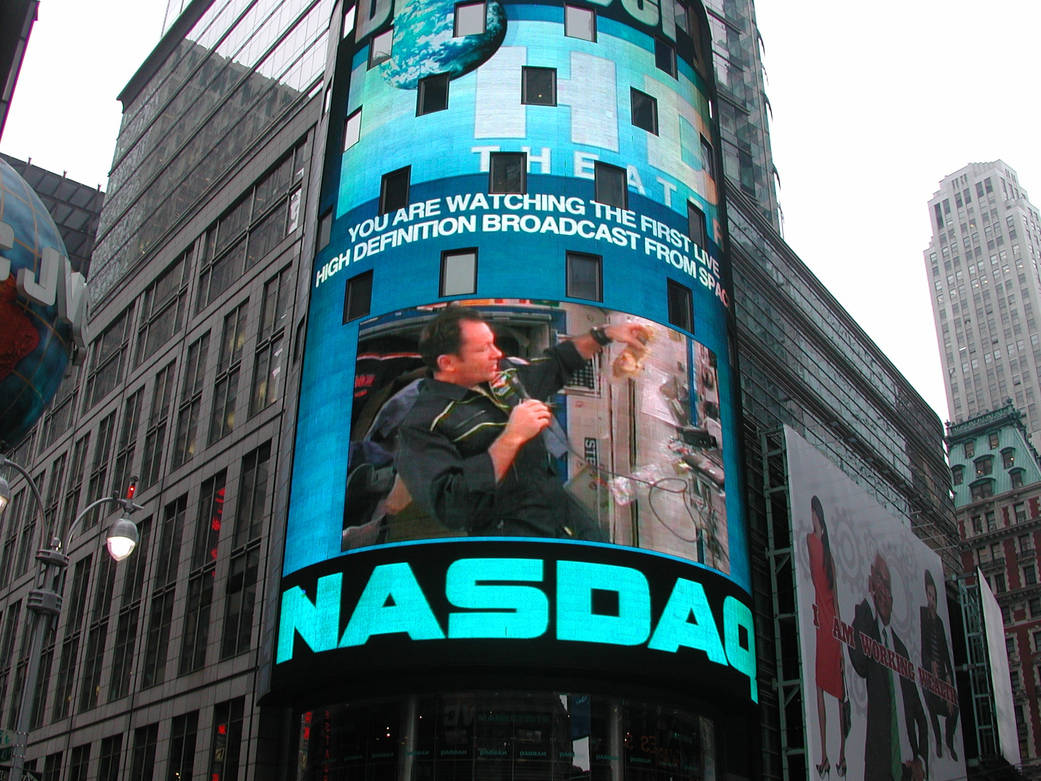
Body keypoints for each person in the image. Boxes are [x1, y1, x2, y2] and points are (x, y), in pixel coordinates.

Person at [395, 306, 649, 538]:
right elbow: (451, 507)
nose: (498, 353)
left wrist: (604, 334)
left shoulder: (501, 374)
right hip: (511, 532)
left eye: (493, 343)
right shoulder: (422, 425)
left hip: (560, 506)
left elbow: (556, 363)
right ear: (447, 363)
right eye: (483, 349)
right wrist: (511, 437)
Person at [848, 554, 929, 780]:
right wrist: (867, 598)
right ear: (871, 586)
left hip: (908, 771)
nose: (884, 592)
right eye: (879, 583)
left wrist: (921, 760)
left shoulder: (901, 650)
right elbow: (859, 662)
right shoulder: (867, 630)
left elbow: (920, 715)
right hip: (880, 769)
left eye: (888, 586)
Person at [807, 496, 846, 777]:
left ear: (817, 516)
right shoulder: (827, 552)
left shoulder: (814, 543)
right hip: (829, 626)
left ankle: (826, 755)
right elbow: (837, 600)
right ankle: (838, 755)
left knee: (825, 690)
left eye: (812, 514)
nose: (811, 519)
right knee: (833, 692)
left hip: (825, 625)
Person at [920, 569, 959, 761]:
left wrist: (949, 683)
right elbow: (921, 647)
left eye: (934, 596)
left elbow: (945, 655)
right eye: (929, 595)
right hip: (928, 674)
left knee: (955, 707)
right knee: (931, 704)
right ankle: (937, 740)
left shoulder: (941, 623)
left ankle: (949, 741)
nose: (932, 600)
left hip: (942, 676)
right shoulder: (922, 616)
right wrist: (930, 665)